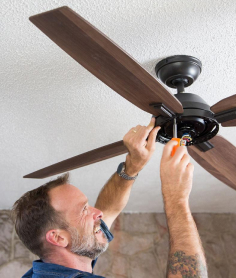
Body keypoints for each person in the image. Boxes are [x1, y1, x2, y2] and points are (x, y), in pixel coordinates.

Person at [12, 117, 208, 277]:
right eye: (84, 210)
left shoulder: (63, 264)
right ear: (57, 237)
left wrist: (132, 167)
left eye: (88, 206)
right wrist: (177, 198)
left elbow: (109, 210)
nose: (98, 213)